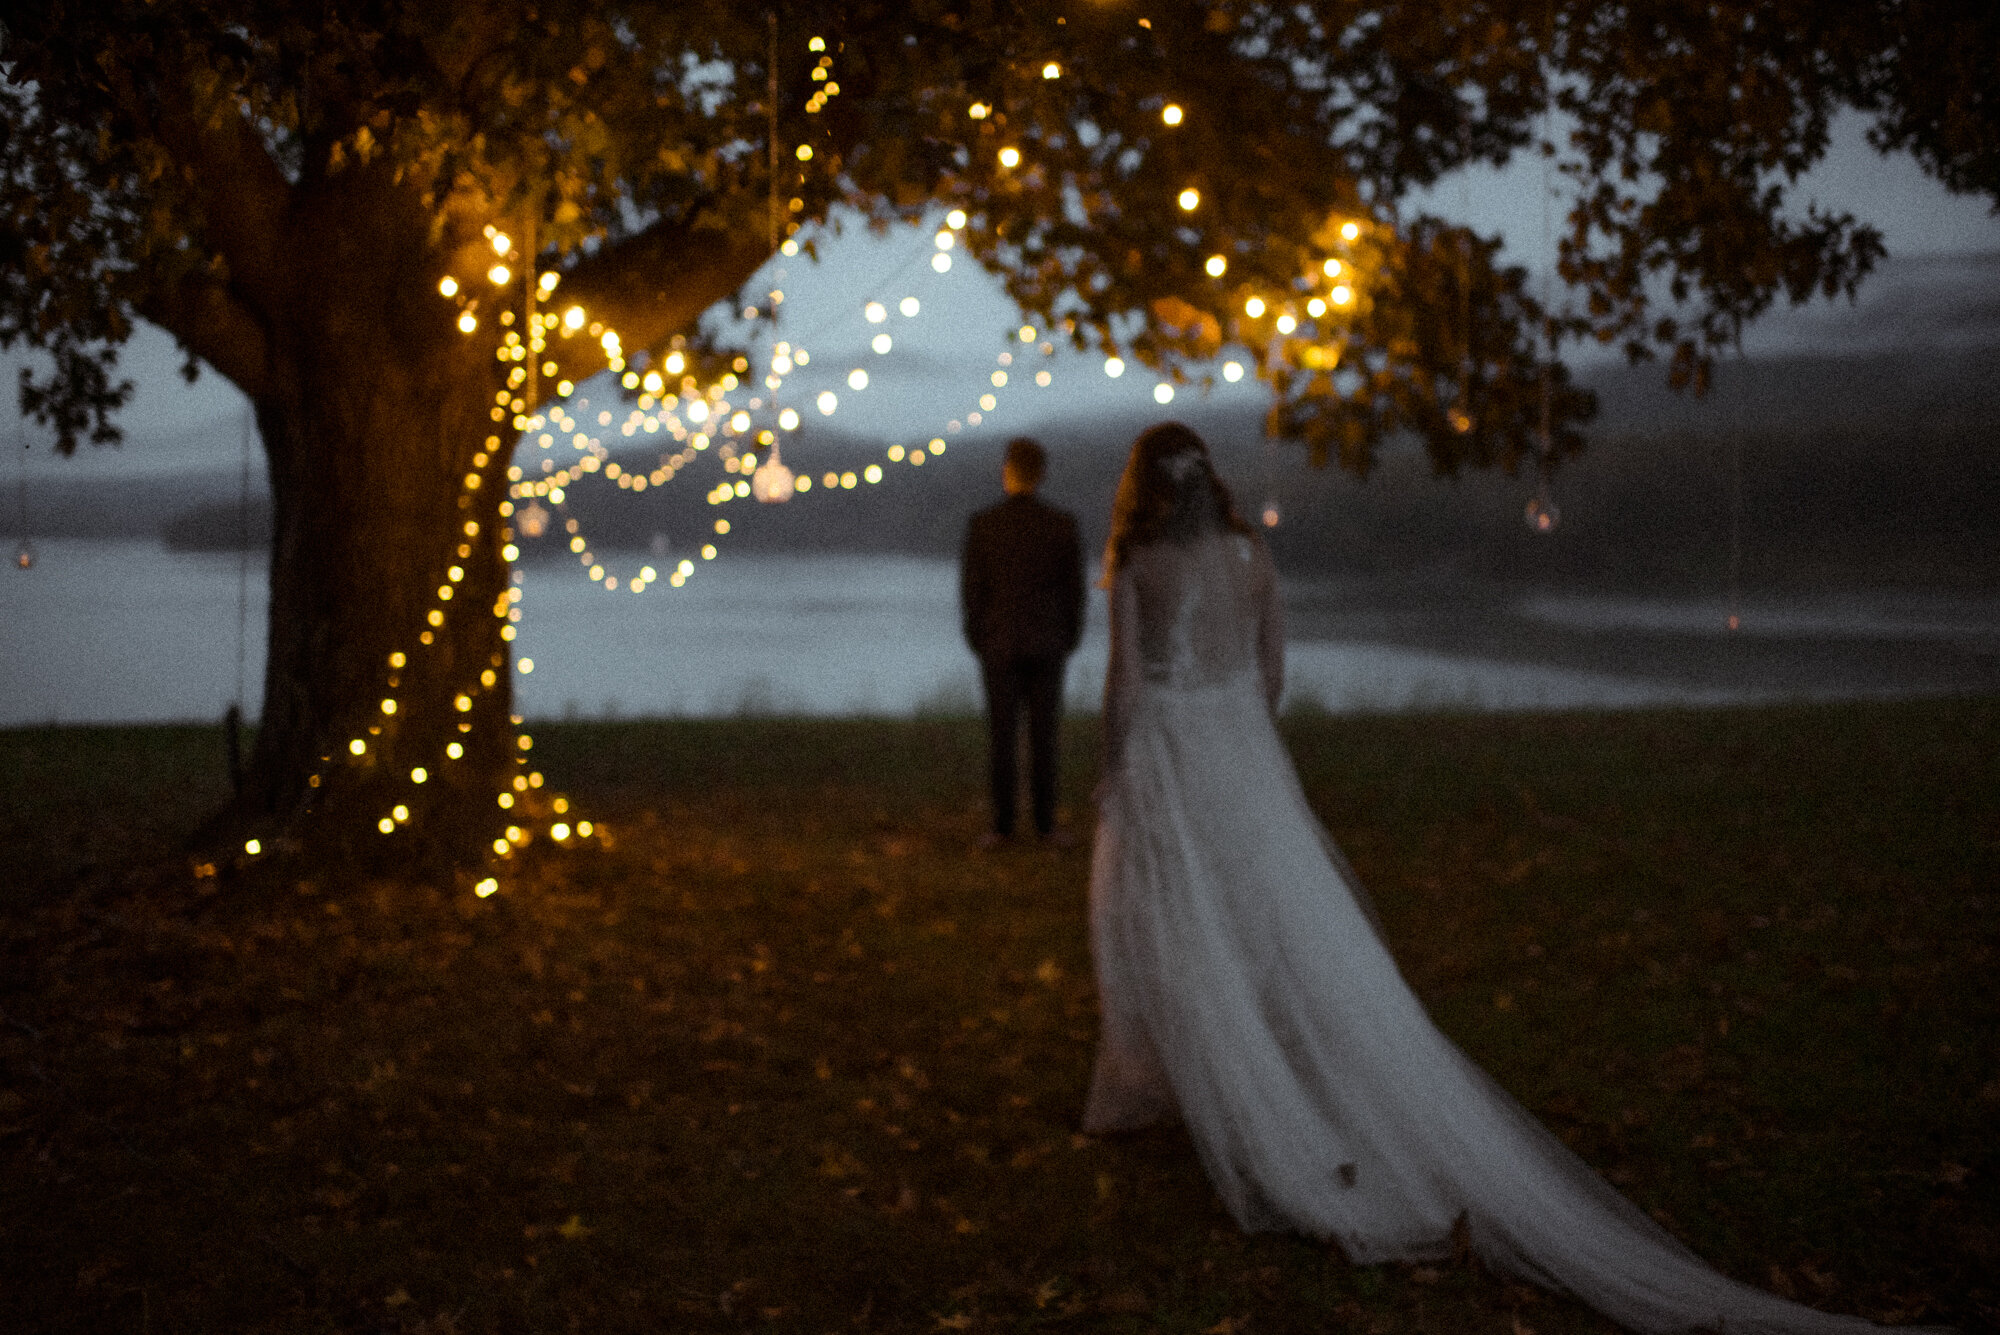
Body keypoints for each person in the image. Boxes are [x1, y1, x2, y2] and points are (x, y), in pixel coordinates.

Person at [1083, 422, 1887, 1334]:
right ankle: (1247, 1084)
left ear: (1142, 487)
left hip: (1180, 756)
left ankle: (1208, 1098)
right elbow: (1272, 675)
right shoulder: (1252, 555)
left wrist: (1120, 767)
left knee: (1180, 925)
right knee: (1270, 926)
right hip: (1247, 759)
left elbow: (1128, 686)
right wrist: (1242, 741)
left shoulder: (1140, 563)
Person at [960, 436, 1085, 844]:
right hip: (1047, 642)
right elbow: (1075, 591)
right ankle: (1046, 825)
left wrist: (978, 634)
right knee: (1044, 735)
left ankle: (1003, 825)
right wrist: (1069, 635)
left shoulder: (984, 524)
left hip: (999, 642)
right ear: (1041, 474)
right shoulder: (1061, 524)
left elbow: (972, 590)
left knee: (1002, 734)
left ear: (1006, 472)